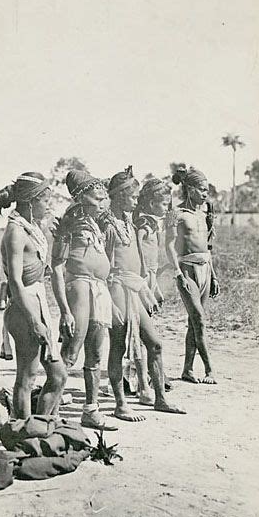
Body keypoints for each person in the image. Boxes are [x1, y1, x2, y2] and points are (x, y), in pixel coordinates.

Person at [99, 166, 185, 414]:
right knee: (118, 346)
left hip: (134, 289)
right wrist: (111, 302)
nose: (137, 202)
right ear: (118, 196)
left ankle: (159, 399)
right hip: (117, 289)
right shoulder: (107, 226)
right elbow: (104, 266)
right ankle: (120, 404)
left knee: (154, 344)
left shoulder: (128, 222)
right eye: (133, 197)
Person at [51, 170, 117, 430]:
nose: (102, 203)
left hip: (100, 289)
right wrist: (65, 310)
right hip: (79, 286)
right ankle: (52, 413)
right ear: (79, 198)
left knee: (96, 351)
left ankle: (90, 409)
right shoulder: (69, 224)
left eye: (104, 199)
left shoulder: (96, 224)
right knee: (71, 350)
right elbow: (56, 267)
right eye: (96, 198)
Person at [0, 172, 67, 419]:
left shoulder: (32, 228)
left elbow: (36, 265)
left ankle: (40, 426)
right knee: (26, 379)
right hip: (24, 307)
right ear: (29, 201)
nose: (48, 205)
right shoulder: (16, 232)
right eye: (44, 200)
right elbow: (15, 282)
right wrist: (34, 321)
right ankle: (24, 436)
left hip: (36, 303)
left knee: (58, 376)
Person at [165, 166, 220, 384]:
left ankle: (187, 369)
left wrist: (214, 276)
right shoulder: (175, 214)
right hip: (186, 269)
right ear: (189, 189)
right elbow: (168, 246)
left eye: (207, 190)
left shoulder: (205, 212)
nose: (205, 194)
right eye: (201, 189)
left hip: (205, 269)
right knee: (199, 318)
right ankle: (209, 369)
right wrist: (178, 273)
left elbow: (208, 248)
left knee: (193, 322)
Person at [133, 177, 174, 395]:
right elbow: (139, 249)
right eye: (163, 204)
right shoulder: (143, 223)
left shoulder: (152, 224)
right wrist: (144, 280)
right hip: (141, 278)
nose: (166, 208)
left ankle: (149, 375)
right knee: (141, 332)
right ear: (151, 204)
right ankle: (141, 379)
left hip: (150, 277)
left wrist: (155, 286)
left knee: (146, 328)